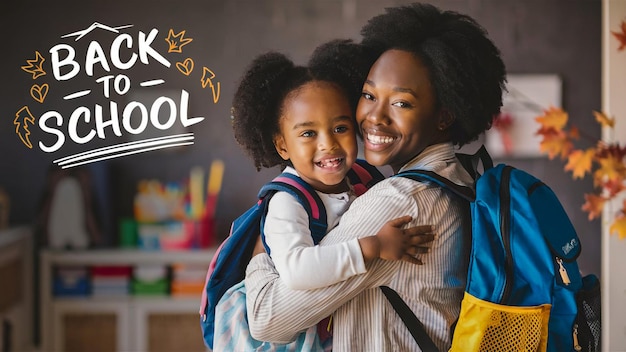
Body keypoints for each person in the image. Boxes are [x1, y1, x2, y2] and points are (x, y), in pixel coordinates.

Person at [244, 2, 507, 351]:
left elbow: (267, 318)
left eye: (401, 103)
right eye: (368, 95)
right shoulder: (459, 178)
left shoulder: (399, 201)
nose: (373, 117)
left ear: (444, 116)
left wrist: (260, 250)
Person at [213, 39, 435, 351]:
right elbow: (299, 270)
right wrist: (374, 246)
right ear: (282, 146)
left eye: (340, 128)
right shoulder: (287, 202)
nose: (328, 144)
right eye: (308, 133)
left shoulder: (361, 178)